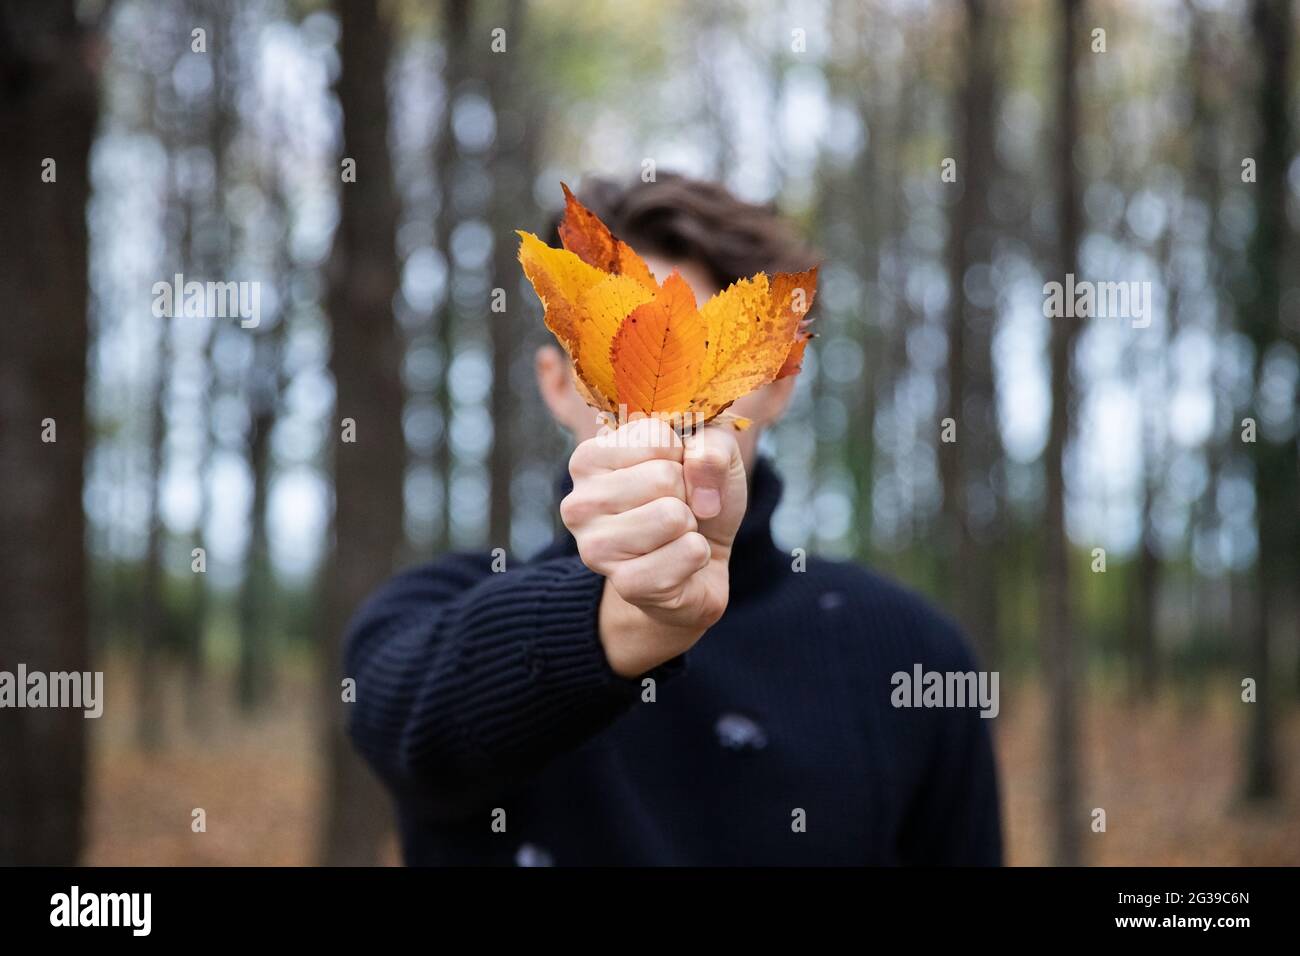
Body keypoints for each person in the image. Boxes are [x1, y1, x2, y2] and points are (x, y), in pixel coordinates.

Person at [345, 173, 1002, 865]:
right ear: (556, 383)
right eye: (614, 349)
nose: (654, 399)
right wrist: (632, 621)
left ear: (778, 383)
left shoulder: (911, 655)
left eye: (705, 353)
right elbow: (406, 723)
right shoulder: (427, 616)